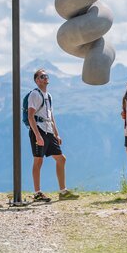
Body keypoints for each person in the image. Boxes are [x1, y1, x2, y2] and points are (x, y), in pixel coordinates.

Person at [27, 68, 79, 202]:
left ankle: (63, 191)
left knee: (61, 159)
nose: (45, 78)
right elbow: (30, 116)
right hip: (38, 129)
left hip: (48, 130)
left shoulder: (48, 96)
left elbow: (51, 116)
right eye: (42, 76)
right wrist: (37, 136)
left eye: (46, 76)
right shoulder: (34, 94)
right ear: (37, 80)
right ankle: (37, 193)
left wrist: (56, 134)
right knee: (38, 160)